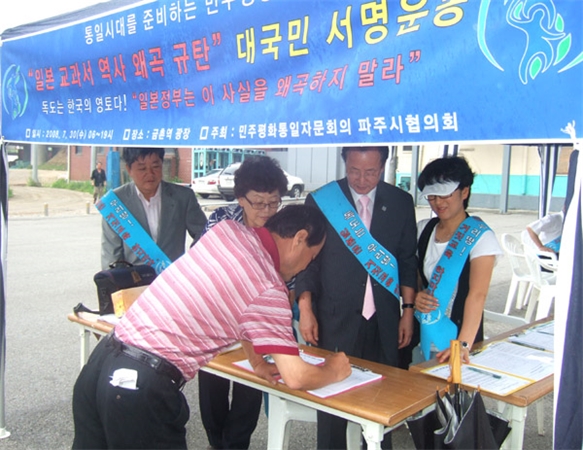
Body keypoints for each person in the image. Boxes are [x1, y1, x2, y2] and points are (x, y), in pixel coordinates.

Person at [72, 205, 351, 449]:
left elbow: (237, 305)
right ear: (299, 239)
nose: (305, 268)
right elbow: (297, 376)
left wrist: (256, 362)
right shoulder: (269, 287)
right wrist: (334, 369)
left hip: (102, 363)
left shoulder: (228, 231)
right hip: (141, 384)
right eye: (311, 257)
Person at [295, 145, 417, 449]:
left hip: (383, 320)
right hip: (334, 318)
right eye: (354, 171)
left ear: (383, 167)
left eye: (371, 172)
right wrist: (305, 307)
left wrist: (408, 310)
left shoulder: (400, 202)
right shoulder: (323, 200)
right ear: (344, 164)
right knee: (331, 404)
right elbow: (307, 260)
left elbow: (407, 260)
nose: (362, 180)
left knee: (380, 404)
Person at [198, 155, 288, 450]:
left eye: (273, 202)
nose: (266, 211)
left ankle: (236, 445)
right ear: (240, 198)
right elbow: (203, 265)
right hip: (217, 321)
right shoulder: (221, 220)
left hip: (260, 324)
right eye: (258, 203)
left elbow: (290, 276)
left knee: (250, 387)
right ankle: (216, 443)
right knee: (212, 388)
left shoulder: (282, 228)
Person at [414, 156, 502, 364]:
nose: (438, 202)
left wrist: (463, 345)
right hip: (423, 334)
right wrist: (417, 295)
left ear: (464, 192)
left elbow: (477, 295)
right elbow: (416, 276)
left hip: (458, 340)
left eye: (445, 195)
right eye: (432, 196)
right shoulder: (423, 229)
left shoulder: (481, 237)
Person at [100, 147, 207, 269]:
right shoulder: (116, 203)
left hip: (174, 276)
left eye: (155, 167)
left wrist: (192, 263)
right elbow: (111, 257)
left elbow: (204, 235)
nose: (150, 173)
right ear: (129, 169)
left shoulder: (183, 197)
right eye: (142, 168)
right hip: (134, 279)